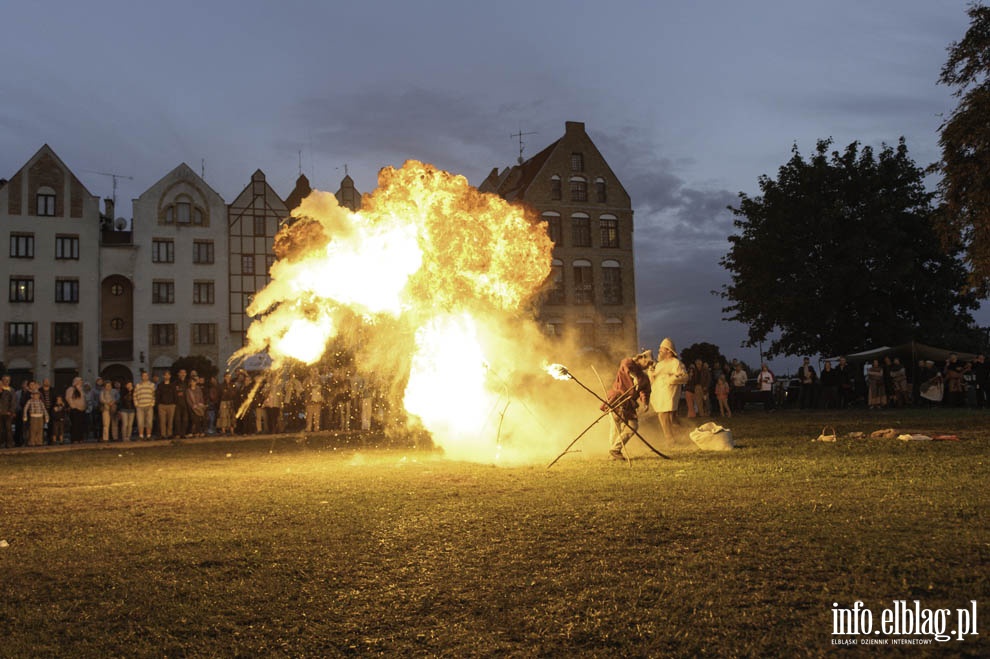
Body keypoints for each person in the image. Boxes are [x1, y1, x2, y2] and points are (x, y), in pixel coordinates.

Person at [602, 349, 653, 459]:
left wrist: (645, 403)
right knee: (615, 427)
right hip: (617, 399)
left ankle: (614, 450)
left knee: (633, 426)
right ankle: (614, 453)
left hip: (629, 404)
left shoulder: (644, 377)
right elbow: (626, 366)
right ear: (641, 358)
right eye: (648, 362)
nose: (649, 365)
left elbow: (645, 391)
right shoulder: (628, 362)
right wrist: (633, 376)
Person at [649, 338, 688, 443]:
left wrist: (669, 378)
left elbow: (684, 377)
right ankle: (676, 437)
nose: (659, 351)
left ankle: (675, 437)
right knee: (665, 416)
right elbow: (654, 379)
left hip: (670, 393)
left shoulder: (676, 363)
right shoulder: (659, 364)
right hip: (659, 394)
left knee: (669, 416)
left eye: (662, 349)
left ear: (669, 351)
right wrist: (651, 372)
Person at [134, 371, 156, 439]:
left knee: (149, 422)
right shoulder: (138, 385)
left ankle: (148, 435)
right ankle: (141, 436)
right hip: (140, 406)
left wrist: (152, 403)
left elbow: (154, 395)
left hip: (149, 405)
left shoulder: (152, 385)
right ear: (141, 377)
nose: (145, 377)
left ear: (148, 377)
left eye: (146, 376)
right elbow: (135, 395)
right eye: (143, 376)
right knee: (140, 422)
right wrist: (136, 404)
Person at [156, 371, 178, 438]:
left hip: (171, 405)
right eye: (165, 375)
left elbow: (175, 395)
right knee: (162, 421)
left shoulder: (173, 385)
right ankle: (163, 434)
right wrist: (159, 404)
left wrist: (174, 403)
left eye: (168, 375)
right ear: (163, 376)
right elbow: (158, 395)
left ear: (170, 376)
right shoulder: (160, 385)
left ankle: (169, 434)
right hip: (162, 405)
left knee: (170, 421)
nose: (167, 376)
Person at [66, 377, 88, 443]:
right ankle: (74, 438)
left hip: (82, 409)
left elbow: (84, 399)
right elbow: (68, 398)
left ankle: (80, 438)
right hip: (75, 409)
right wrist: (73, 406)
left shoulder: (82, 390)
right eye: (79, 381)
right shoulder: (71, 389)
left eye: (81, 381)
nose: (81, 382)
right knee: (75, 424)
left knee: (81, 425)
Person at [303, 368, 324, 432]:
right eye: (311, 371)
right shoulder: (307, 379)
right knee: (309, 415)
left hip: (317, 400)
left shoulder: (319, 379)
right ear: (309, 372)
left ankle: (316, 428)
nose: (313, 372)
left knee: (317, 415)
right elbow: (304, 387)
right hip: (309, 400)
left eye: (314, 371)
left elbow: (322, 387)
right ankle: (309, 427)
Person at [0, 375, 16, 449]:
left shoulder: (11, 390)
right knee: (1, 429)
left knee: (8, 429)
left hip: (8, 413)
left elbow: (13, 402)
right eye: (5, 380)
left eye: (8, 380)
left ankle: (9, 444)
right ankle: (1, 443)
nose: (6, 381)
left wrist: (11, 411)